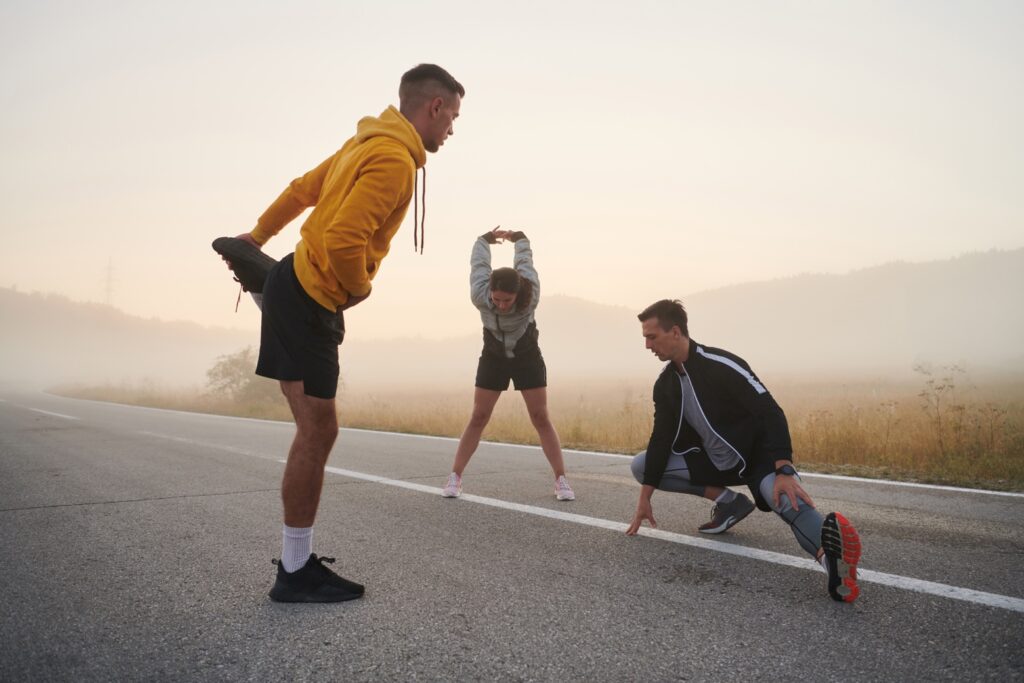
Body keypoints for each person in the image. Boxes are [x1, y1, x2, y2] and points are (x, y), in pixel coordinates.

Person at [217, 64, 464, 603]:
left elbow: (302, 189)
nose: (451, 132)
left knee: (313, 429)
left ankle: (265, 277)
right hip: (312, 300)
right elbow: (346, 237)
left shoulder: (364, 142)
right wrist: (359, 290)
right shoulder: (395, 160)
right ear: (435, 107)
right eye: (452, 119)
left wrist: (257, 234)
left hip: (293, 279)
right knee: (318, 432)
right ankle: (295, 571)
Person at [625, 299, 861, 602]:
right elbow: (661, 439)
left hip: (755, 458)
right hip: (713, 461)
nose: (647, 345)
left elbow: (769, 411)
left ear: (675, 332)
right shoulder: (666, 385)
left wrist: (784, 469)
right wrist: (645, 497)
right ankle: (729, 503)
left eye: (651, 336)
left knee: (787, 501)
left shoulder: (722, 365)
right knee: (641, 467)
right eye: (644, 337)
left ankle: (834, 564)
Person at [441, 227, 575, 501]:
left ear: (518, 294)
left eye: (507, 300)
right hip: (494, 356)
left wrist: (520, 239)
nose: (501, 305)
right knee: (479, 416)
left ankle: (561, 480)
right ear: (489, 290)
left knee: (540, 417)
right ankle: (455, 478)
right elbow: (479, 264)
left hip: (527, 355)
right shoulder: (480, 294)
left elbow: (525, 262)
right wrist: (483, 240)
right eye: (497, 299)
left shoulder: (530, 293)